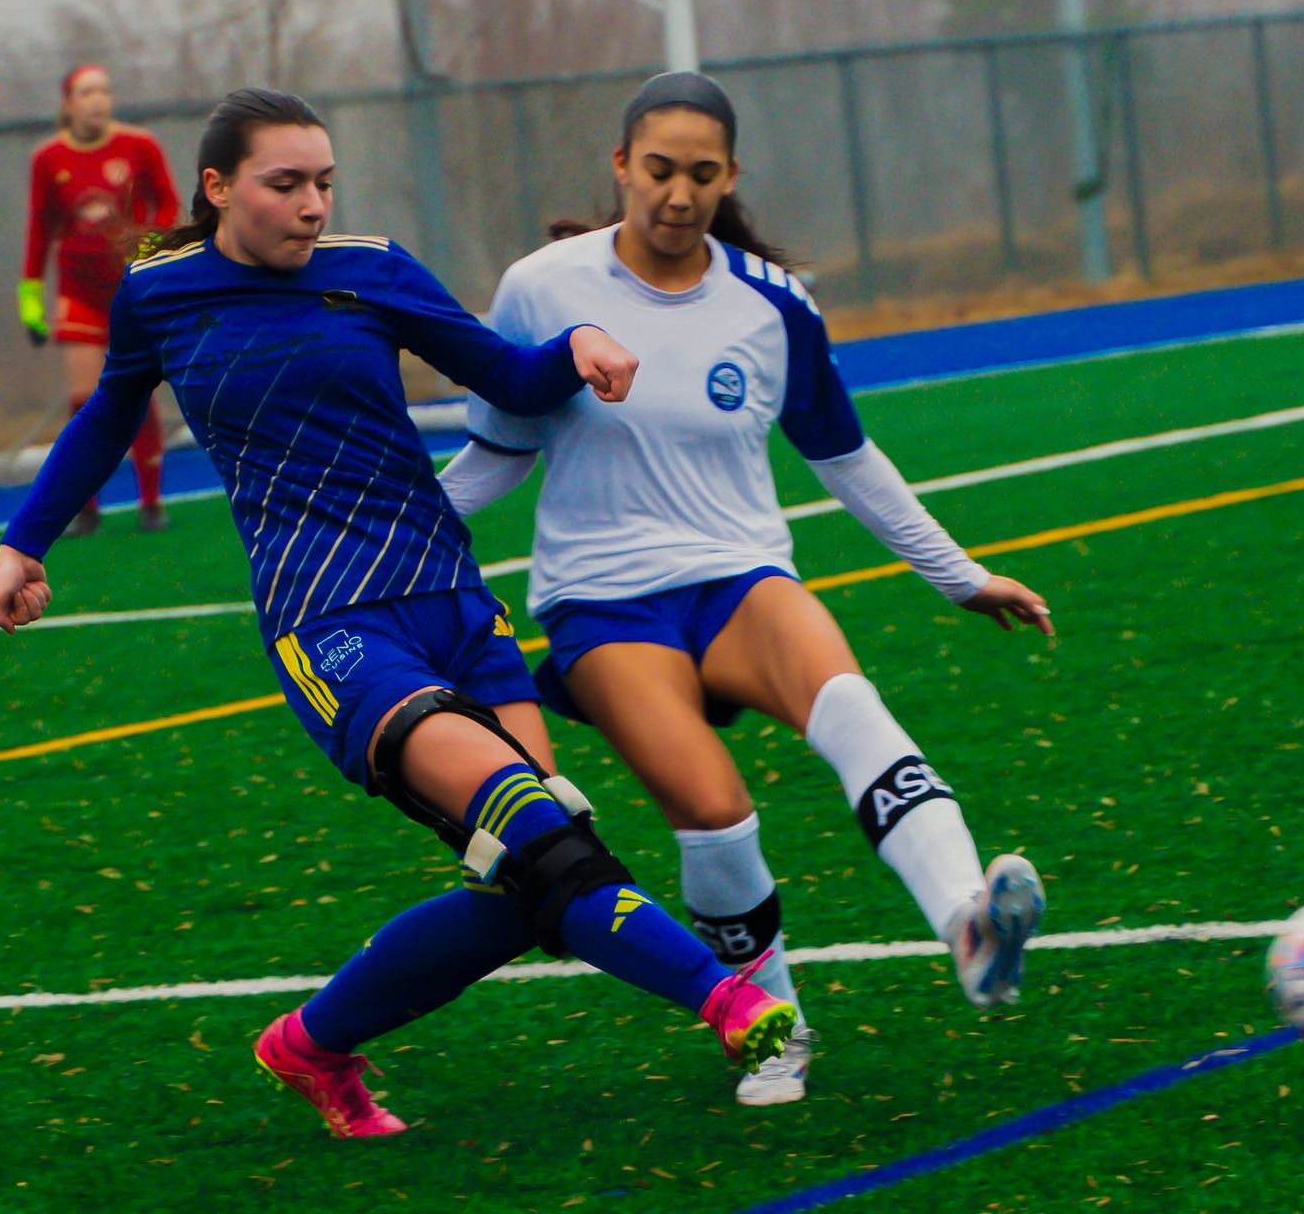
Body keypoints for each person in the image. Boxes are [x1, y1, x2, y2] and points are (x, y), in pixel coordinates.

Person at [0, 87, 796, 1139]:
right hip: (329, 620)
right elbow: (109, 411)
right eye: (285, 184)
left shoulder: (371, 269)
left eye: (324, 181)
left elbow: (500, 372)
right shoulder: (161, 292)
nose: (312, 204)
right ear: (219, 187)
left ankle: (310, 1045)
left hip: (453, 605)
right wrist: (25, 539)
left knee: (527, 893)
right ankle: (728, 998)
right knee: (539, 833)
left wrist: (577, 348)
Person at [439, 71, 1054, 1107]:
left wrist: (958, 577)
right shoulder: (540, 286)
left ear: (730, 177)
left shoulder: (772, 302)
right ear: (620, 167)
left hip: (738, 577)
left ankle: (966, 922)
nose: (678, 194)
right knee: (715, 814)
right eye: (659, 170)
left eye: (702, 174)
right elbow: (500, 450)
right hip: (602, 603)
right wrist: (385, 534)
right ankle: (774, 1029)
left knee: (850, 705)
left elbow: (845, 456)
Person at [19, 63, 181, 534]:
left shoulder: (139, 145)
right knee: (83, 396)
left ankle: (151, 501)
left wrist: (150, 247)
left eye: (104, 91)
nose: (98, 100)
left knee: (136, 388)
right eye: (87, 92)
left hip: (130, 291)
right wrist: (29, 297)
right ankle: (84, 506)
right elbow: (39, 228)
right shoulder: (48, 158)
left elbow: (167, 202)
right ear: (68, 103)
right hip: (78, 292)